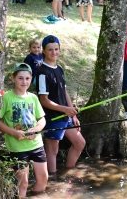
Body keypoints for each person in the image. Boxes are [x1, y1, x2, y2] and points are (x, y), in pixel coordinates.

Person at [36, 35, 86, 179]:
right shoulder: (42, 73)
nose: (54, 53)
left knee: (79, 142)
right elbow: (43, 100)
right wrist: (65, 110)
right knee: (53, 150)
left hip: (66, 115)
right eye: (50, 50)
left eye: (56, 49)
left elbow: (64, 92)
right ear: (44, 51)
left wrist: (73, 114)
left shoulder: (59, 69)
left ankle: (67, 173)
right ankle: (52, 179)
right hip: (53, 117)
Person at [0, 63, 48, 198]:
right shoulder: (6, 98)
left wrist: (36, 129)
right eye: (20, 78)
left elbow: (42, 119)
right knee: (23, 182)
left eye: (27, 78)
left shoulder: (33, 97)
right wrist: (13, 132)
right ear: (13, 79)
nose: (24, 81)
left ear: (31, 79)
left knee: (43, 178)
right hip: (17, 147)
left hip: (36, 145)